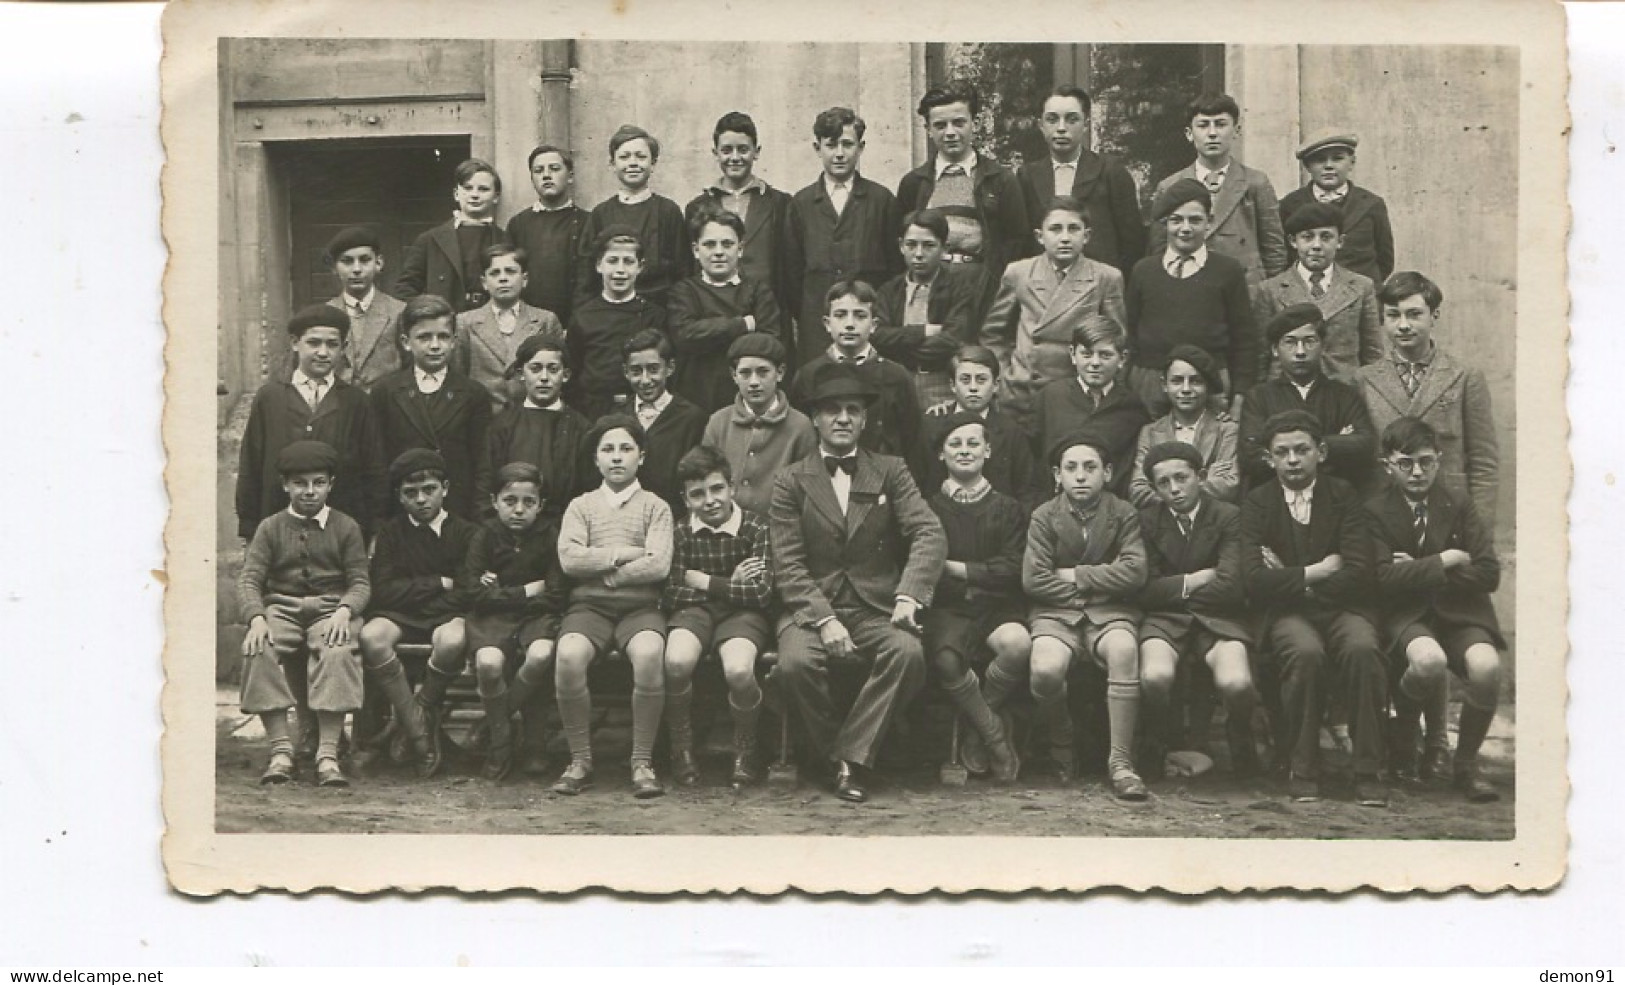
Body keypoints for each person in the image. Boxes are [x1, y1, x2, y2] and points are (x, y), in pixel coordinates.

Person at [769, 362, 947, 803]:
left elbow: (929, 531)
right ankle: (838, 755)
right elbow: (788, 563)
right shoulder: (790, 480)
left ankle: (848, 755)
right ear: (815, 418)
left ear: (865, 419)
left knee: (907, 654)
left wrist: (908, 595)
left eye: (852, 410)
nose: (843, 418)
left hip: (875, 605)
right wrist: (824, 620)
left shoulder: (890, 470)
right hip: (812, 608)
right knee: (794, 666)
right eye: (832, 410)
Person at [1241, 409, 1388, 806]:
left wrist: (1292, 581)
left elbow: (1360, 570)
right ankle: (1302, 766)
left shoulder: (1343, 496)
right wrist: (1316, 571)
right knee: (1305, 653)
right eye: (1282, 452)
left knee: (1361, 649)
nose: (1292, 460)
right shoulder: (1257, 503)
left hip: (1342, 609)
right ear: (1269, 459)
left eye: (1302, 450)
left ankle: (1368, 769)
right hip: (1288, 615)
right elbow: (1254, 579)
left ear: (1320, 452)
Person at [1366, 418, 1504, 802]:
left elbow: (1488, 573)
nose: (1417, 472)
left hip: (1462, 612)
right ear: (1387, 465)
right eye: (1405, 463)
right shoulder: (1375, 511)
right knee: (1428, 661)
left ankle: (1464, 766)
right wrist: (1445, 559)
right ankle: (1404, 734)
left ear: (1439, 460)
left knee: (1487, 667)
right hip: (1407, 615)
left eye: (1426, 461)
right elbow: (1381, 578)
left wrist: (1419, 569)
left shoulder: (1458, 504)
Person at [1022, 431, 1149, 799]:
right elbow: (1034, 580)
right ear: (1056, 475)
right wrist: (1097, 584)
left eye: (1090, 467)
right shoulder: (1044, 516)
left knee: (1124, 649)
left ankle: (1121, 762)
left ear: (1107, 473)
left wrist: (1075, 575)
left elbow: (1135, 573)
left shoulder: (1123, 513)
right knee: (1045, 668)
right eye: (1071, 468)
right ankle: (1062, 739)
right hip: (1054, 614)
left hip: (1111, 613)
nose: (1080, 476)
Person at [236, 440, 371, 788]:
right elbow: (250, 580)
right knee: (259, 647)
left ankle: (327, 755)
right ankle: (281, 751)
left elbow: (360, 582)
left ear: (330, 484)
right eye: (300, 484)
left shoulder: (346, 527)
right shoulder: (270, 528)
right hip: (282, 608)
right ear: (285, 485)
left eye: (318, 483)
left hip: (331, 609)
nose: (310, 492)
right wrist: (256, 617)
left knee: (338, 650)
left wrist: (345, 610)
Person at [553, 416, 675, 799]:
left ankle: (641, 761)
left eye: (626, 449)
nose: (617, 458)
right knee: (569, 656)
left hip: (641, 608)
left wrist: (609, 573)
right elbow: (570, 560)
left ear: (642, 456)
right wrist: (626, 554)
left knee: (650, 653)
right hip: (589, 607)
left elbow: (659, 564)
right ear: (595, 459)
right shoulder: (581, 506)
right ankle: (580, 760)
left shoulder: (656, 507)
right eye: (608, 449)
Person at [1135, 441, 1259, 778]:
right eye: (1163, 483)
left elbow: (1233, 585)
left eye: (1182, 478)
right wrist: (1194, 580)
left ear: (1200, 476)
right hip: (1164, 621)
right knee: (1155, 676)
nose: (1174, 489)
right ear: (1154, 488)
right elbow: (1143, 589)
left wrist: (1173, 589)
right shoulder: (1146, 521)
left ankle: (1240, 734)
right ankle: (1156, 741)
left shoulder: (1228, 516)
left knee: (1236, 682)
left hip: (1220, 619)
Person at [357, 449, 481, 778]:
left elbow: (467, 592)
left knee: (453, 639)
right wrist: (437, 582)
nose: (421, 500)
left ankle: (414, 717)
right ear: (399, 496)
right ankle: (420, 732)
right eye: (410, 493)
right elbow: (382, 589)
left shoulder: (466, 533)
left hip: (444, 616)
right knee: (372, 636)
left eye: (429, 490)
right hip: (399, 615)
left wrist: (416, 594)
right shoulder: (390, 534)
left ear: (446, 488)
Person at [660, 446, 776, 788]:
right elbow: (671, 593)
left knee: (739, 669)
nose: (709, 500)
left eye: (717, 489)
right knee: (676, 661)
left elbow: (761, 594)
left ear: (732, 488)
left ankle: (745, 747)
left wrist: (705, 580)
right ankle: (681, 747)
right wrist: (730, 583)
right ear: (685, 498)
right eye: (697, 494)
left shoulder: (756, 527)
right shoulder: (681, 532)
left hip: (743, 615)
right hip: (693, 612)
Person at [922, 412, 1027, 783]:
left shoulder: (1009, 508)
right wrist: (976, 574)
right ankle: (995, 735)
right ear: (941, 454)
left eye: (972, 443)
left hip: (998, 607)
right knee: (948, 660)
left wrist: (957, 568)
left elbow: (1013, 567)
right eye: (955, 444)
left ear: (987, 450)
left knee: (1017, 644)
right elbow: (924, 567)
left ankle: (975, 726)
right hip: (949, 608)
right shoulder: (927, 509)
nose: (964, 451)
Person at [1359, 270, 1499, 526]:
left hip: (1448, 513)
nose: (1403, 325)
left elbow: (1483, 463)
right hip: (1385, 517)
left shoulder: (1464, 376)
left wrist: (1478, 534)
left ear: (1434, 315)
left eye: (1414, 314)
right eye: (1393, 315)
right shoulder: (1363, 380)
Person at [460, 461, 571, 780]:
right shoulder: (484, 536)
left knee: (540, 655)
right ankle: (504, 739)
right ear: (495, 501)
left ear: (541, 505)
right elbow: (471, 594)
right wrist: (524, 590)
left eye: (529, 502)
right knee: (489, 663)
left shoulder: (551, 536)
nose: (519, 510)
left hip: (537, 618)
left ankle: (496, 732)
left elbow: (556, 594)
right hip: (492, 619)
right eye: (510, 501)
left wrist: (500, 590)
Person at [981, 195, 1127, 434]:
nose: (1065, 238)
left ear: (1086, 236)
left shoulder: (1106, 277)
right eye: (1056, 229)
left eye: (1073, 229)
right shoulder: (1019, 272)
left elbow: (1117, 340)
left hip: (1075, 394)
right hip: (1022, 393)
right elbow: (993, 334)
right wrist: (1007, 376)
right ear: (1040, 236)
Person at [237, 303, 383, 541]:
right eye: (313, 343)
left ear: (344, 348)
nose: (323, 352)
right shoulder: (270, 398)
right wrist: (249, 530)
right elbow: (251, 465)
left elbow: (373, 467)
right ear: (295, 343)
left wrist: (374, 529)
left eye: (332, 344)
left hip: (340, 529)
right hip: (278, 526)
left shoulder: (356, 401)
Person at [895, 81, 1033, 324]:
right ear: (927, 129)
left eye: (958, 122)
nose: (950, 132)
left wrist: (997, 288)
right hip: (930, 289)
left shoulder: (1000, 179)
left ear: (974, 124)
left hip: (984, 290)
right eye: (940, 125)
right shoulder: (913, 183)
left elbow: (1017, 242)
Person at [1125, 178, 1257, 416]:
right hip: (1151, 384)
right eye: (1176, 220)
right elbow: (1130, 334)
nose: (1185, 228)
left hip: (1210, 382)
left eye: (1195, 220)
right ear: (1165, 224)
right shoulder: (1144, 271)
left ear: (1209, 222)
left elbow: (1244, 339)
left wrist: (1239, 398)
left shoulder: (1228, 271)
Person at [786, 107, 904, 370]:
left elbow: (895, 268)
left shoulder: (881, 200)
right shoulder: (801, 203)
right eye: (831, 145)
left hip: (868, 323)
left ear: (860, 147)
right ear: (817, 148)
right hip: (818, 324)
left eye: (847, 144)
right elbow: (791, 274)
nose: (839, 153)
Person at [370, 294, 493, 520]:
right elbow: (377, 462)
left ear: (455, 341)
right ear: (407, 342)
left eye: (443, 337)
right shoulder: (385, 392)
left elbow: (482, 465)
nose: (435, 345)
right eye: (424, 337)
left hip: (456, 510)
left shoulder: (473, 394)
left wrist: (478, 519)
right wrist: (380, 521)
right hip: (403, 511)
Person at [1147, 94, 1288, 283]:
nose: (1212, 133)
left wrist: (1267, 295)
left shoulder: (1255, 183)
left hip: (1246, 289)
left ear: (1236, 131)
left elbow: (1274, 251)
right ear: (1189, 134)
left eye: (1220, 124)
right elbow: (1160, 251)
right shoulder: (1170, 186)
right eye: (1203, 125)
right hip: (1190, 287)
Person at [1239, 303, 1374, 490]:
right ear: (1275, 350)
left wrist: (1283, 450)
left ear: (1323, 346)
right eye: (1290, 342)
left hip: (1336, 498)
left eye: (1309, 341)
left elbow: (1364, 447)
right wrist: (1332, 444)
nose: (1300, 352)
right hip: (1277, 498)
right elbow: (1252, 457)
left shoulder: (1344, 395)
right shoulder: (1259, 397)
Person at [788, 280, 920, 469]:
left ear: (874, 325)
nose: (850, 324)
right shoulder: (809, 376)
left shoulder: (897, 377)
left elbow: (913, 443)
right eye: (840, 315)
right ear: (827, 323)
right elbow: (800, 439)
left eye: (860, 316)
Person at [1018, 84, 1146, 276]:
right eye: (1052, 120)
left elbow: (1132, 241)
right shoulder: (1027, 175)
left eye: (1072, 120)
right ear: (1041, 126)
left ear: (1086, 125)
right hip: (1043, 286)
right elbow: (1020, 240)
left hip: (1097, 285)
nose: (1061, 128)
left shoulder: (1110, 171)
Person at [667, 207, 785, 414]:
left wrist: (709, 330)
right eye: (709, 245)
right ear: (696, 250)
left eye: (727, 244)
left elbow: (768, 344)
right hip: (697, 393)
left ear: (740, 249)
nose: (719, 252)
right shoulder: (684, 291)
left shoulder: (758, 291)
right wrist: (743, 324)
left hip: (747, 394)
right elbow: (685, 335)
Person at [1255, 202, 1381, 385]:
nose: (1316, 245)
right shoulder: (1270, 289)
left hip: (1344, 392)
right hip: (1286, 393)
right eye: (1307, 237)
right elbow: (1261, 354)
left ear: (1340, 241)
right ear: (1292, 241)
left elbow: (1373, 354)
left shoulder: (1361, 287)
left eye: (1326, 237)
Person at [684, 111, 796, 317]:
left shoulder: (780, 203)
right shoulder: (698, 206)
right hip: (713, 312)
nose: (735, 158)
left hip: (768, 313)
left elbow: (790, 267)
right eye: (727, 150)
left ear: (756, 152)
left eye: (743, 149)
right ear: (715, 153)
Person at [701, 333, 818, 516]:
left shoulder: (800, 426)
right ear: (734, 376)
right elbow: (705, 480)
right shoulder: (718, 422)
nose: (754, 382)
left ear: (779, 373)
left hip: (779, 529)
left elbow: (807, 492)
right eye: (745, 373)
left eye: (763, 372)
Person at [575, 125, 689, 312]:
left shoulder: (668, 211)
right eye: (624, 157)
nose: (633, 163)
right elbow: (586, 275)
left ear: (653, 163)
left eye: (641, 156)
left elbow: (682, 270)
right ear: (612, 164)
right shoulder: (600, 214)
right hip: (610, 309)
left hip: (659, 309)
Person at [1034, 315, 1150, 499]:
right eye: (1086, 354)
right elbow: (1034, 457)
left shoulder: (1132, 407)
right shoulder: (1050, 397)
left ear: (1122, 358)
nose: (1095, 363)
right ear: (1073, 355)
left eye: (1105, 355)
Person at [873, 208, 978, 410]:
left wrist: (900, 345)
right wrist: (924, 331)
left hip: (941, 384)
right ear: (901, 246)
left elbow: (953, 340)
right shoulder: (889, 291)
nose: (919, 254)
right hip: (896, 383)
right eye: (911, 245)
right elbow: (878, 337)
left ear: (944, 248)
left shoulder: (960, 288)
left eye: (928, 245)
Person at [565, 225, 669, 422]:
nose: (620, 270)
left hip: (642, 408)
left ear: (640, 266)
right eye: (612, 261)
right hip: (592, 410)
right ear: (599, 265)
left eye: (628, 262)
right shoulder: (583, 316)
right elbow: (573, 372)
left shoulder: (655, 316)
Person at [484, 331, 592, 516]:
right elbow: (486, 481)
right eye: (535, 368)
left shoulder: (581, 427)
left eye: (552, 369)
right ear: (521, 374)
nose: (544, 377)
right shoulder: (503, 424)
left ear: (565, 375)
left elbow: (587, 488)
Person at [920, 345, 1042, 508]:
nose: (973, 387)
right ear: (952, 385)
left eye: (981, 379)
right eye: (965, 379)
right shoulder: (931, 425)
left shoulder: (1011, 432)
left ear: (996, 385)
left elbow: (1026, 490)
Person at [455, 244, 564, 413]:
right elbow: (459, 377)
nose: (503, 278)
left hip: (533, 417)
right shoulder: (465, 322)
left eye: (510, 271)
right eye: (495, 273)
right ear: (484, 282)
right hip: (484, 418)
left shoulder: (546, 320)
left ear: (525, 279)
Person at [1129, 345, 1241, 508]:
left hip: (1212, 521)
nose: (1186, 389)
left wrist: (1163, 487)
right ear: (1164, 385)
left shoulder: (1226, 430)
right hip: (1162, 524)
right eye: (1177, 381)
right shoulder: (1151, 432)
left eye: (1196, 381)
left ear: (1208, 386)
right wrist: (1203, 482)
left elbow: (1228, 486)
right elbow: (1138, 491)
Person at [1279, 130, 1395, 287]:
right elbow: (1283, 256)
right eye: (1320, 160)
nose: (1328, 166)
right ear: (1307, 166)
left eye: (1337, 159)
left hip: (1359, 297)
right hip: (1309, 294)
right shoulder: (1290, 205)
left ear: (1352, 162)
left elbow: (1385, 260)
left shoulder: (1371, 204)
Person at [393, 158, 507, 312]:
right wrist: (428, 316)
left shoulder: (505, 240)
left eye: (483, 189)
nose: (474, 195)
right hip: (443, 327)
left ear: (496, 196)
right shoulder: (430, 240)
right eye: (467, 188)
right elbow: (405, 289)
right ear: (456, 194)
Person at [621, 328, 708, 513]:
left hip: (674, 517)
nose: (645, 380)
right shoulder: (616, 417)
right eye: (636, 371)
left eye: (653, 370)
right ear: (625, 372)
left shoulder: (691, 418)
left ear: (670, 368)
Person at [505, 144, 588, 328]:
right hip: (528, 324)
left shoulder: (588, 222)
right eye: (538, 170)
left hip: (577, 323)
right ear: (532, 178)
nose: (546, 175)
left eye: (555, 168)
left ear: (570, 176)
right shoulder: (518, 224)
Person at [321, 225, 404, 390]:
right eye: (347, 261)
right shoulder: (325, 314)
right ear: (334, 268)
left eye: (365, 260)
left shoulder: (399, 312)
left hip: (385, 407)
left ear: (378, 263)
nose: (357, 269)